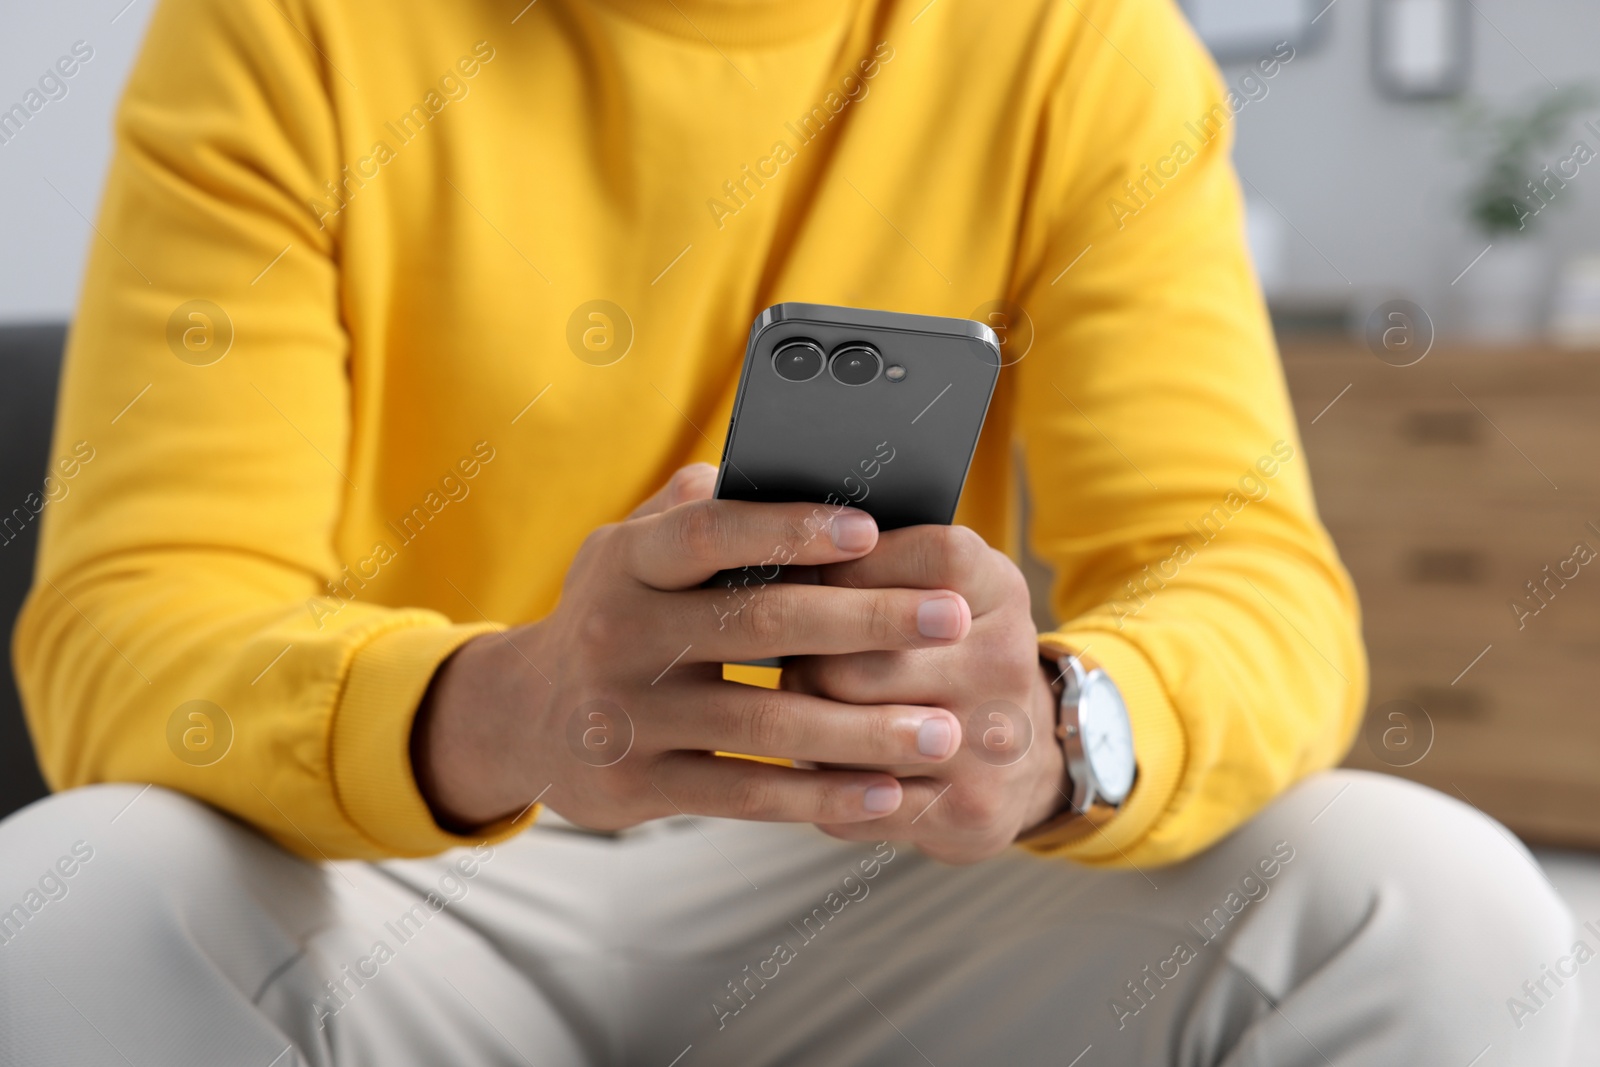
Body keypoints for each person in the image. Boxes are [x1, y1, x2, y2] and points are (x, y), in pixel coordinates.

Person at [0, 0, 1581, 1063]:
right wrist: (507, 708)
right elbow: (129, 621)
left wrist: (1054, 728)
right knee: (64, 895)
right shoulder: (281, 32)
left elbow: (1249, 581)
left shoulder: (1069, 41)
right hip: (405, 877)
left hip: (888, 864)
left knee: (1426, 895)